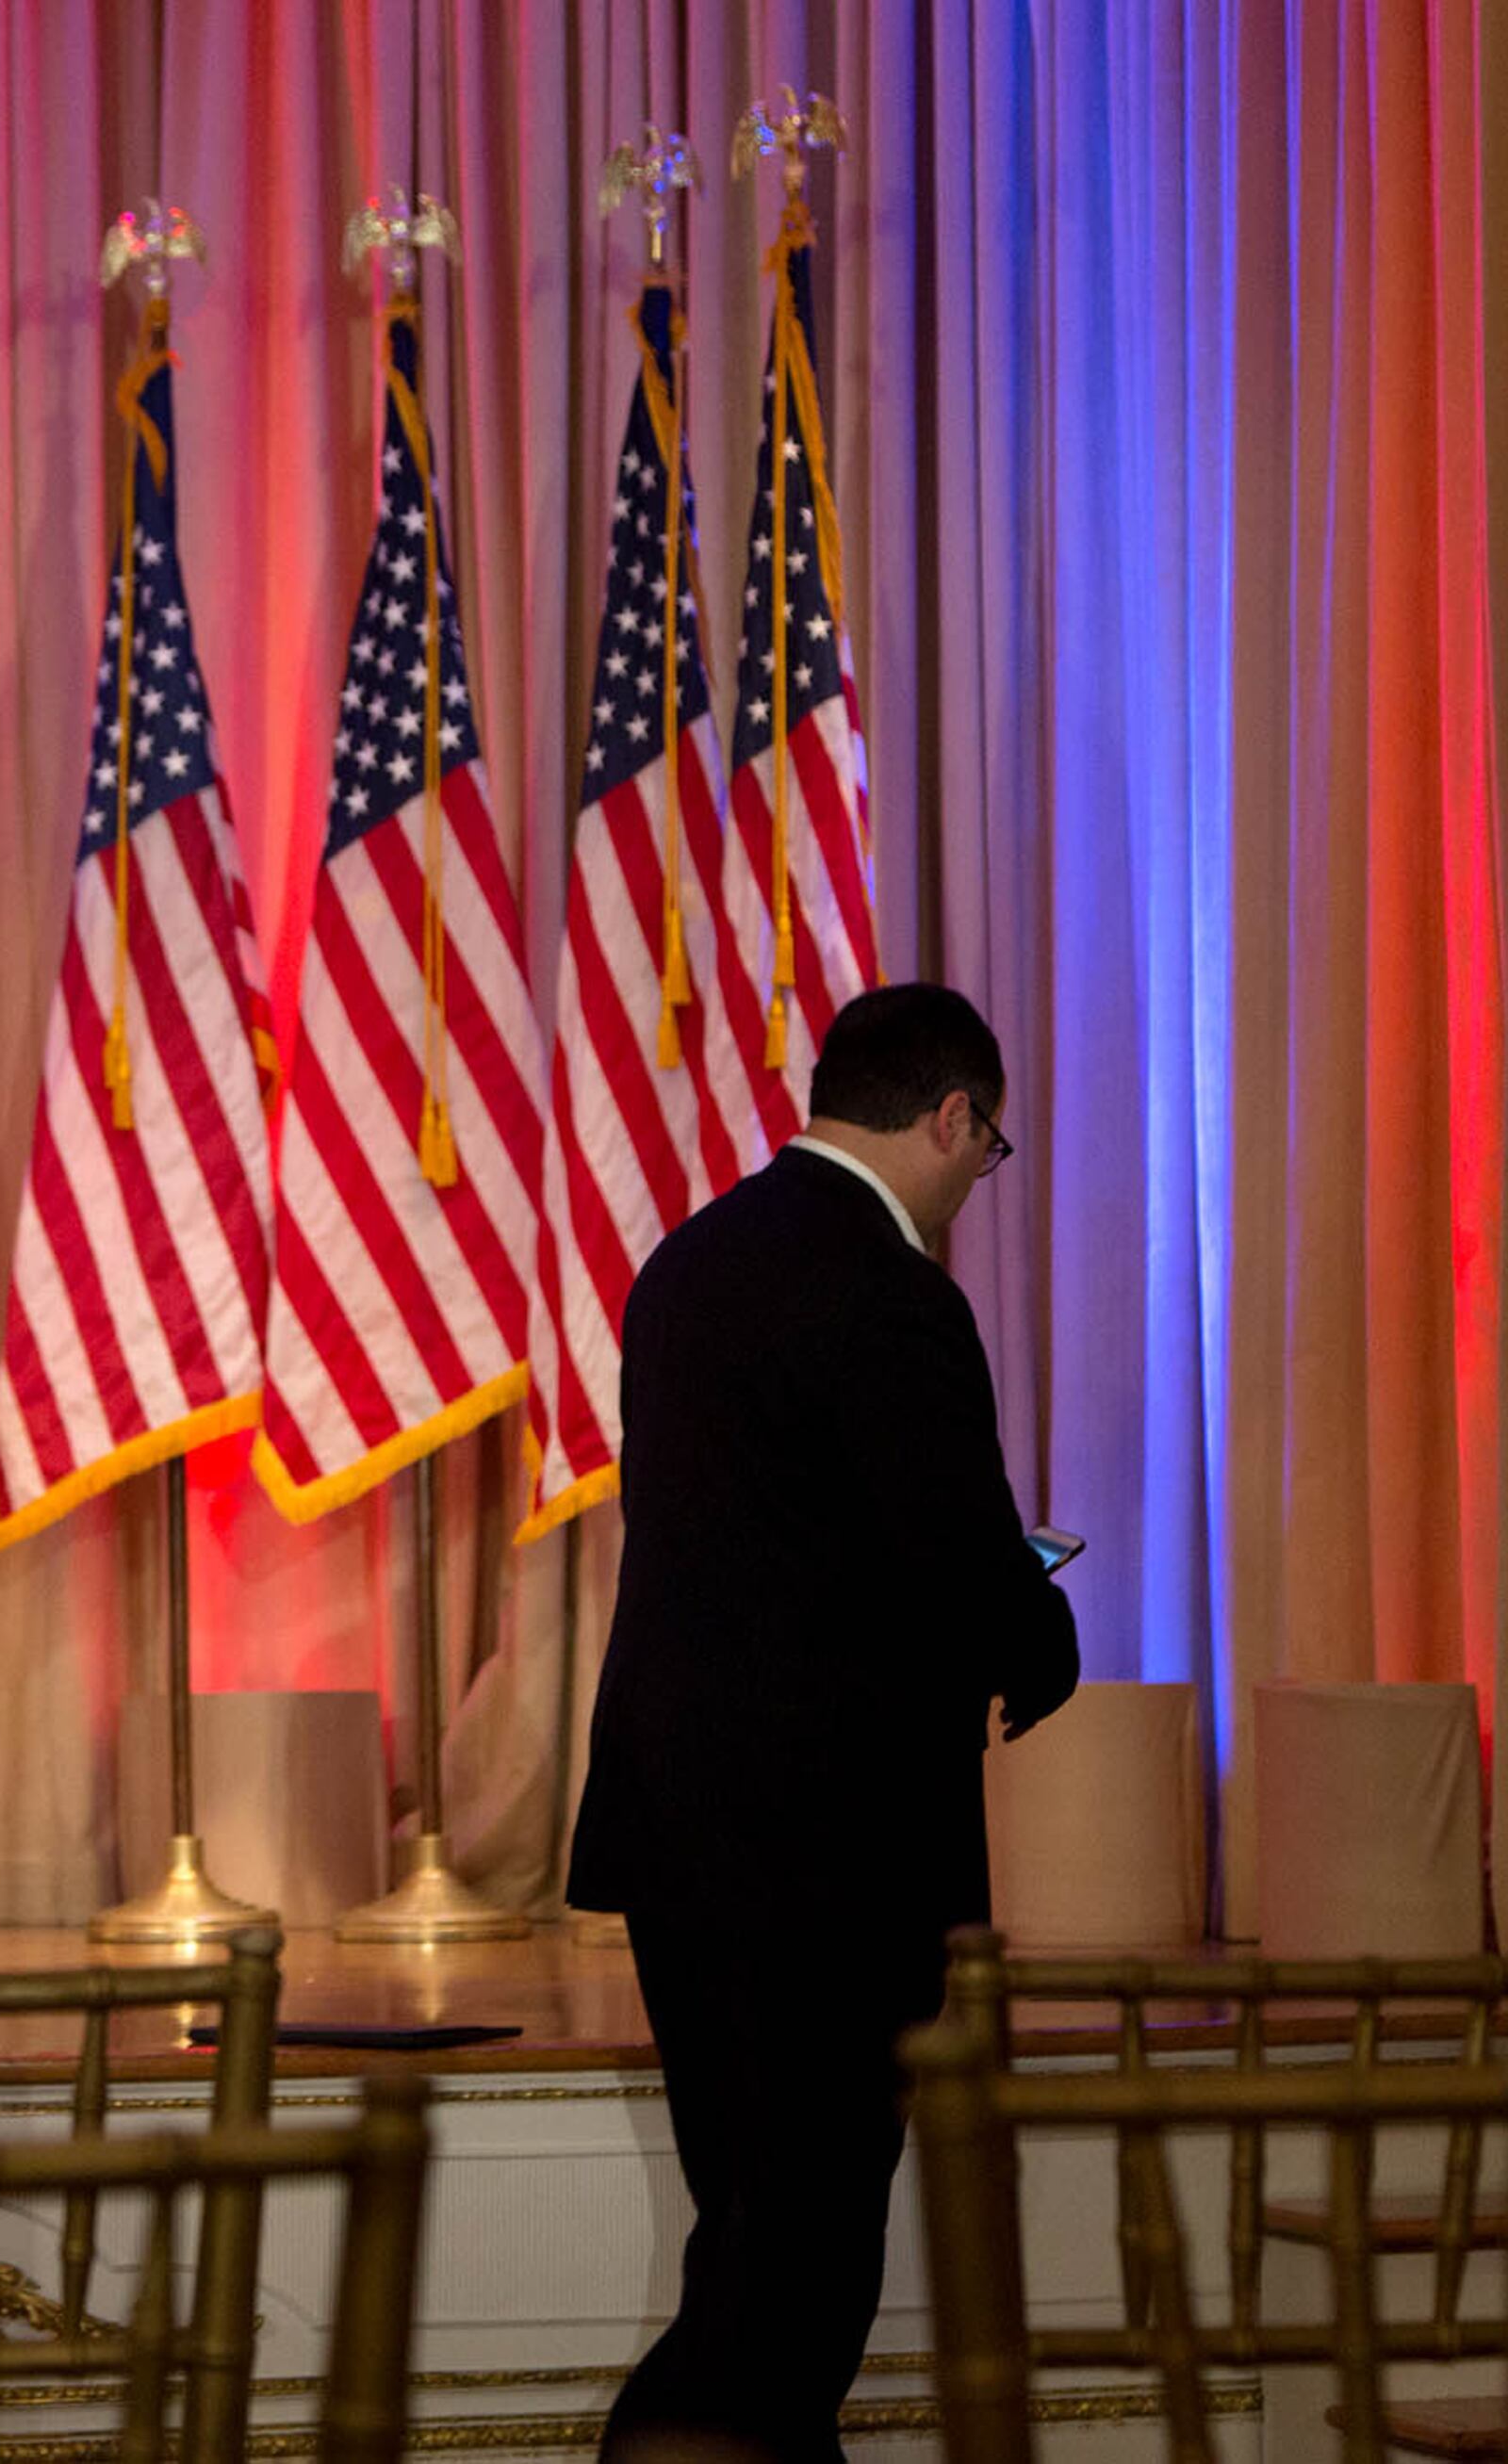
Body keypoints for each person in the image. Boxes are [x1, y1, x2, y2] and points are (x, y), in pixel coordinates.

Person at [568, 981, 1079, 2463]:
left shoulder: (684, 1265)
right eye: (989, 1152)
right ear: (954, 1117)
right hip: (831, 1854)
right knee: (801, 2259)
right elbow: (952, 1552)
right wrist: (1040, 1641)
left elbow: (759, 1543)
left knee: (755, 2225)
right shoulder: (892, 1292)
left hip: (677, 1829)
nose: (978, 1184)